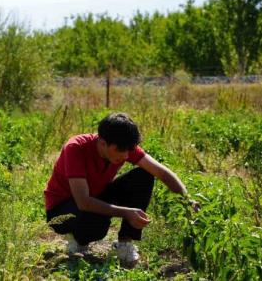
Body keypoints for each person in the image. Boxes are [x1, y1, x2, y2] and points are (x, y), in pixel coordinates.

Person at [44, 112, 198, 266]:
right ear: (103, 143)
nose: (125, 156)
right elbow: (83, 202)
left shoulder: (122, 147)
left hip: (95, 196)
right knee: (96, 228)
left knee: (144, 176)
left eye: (128, 151)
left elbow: (162, 173)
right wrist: (126, 212)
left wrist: (187, 200)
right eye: (120, 150)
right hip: (62, 209)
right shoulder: (76, 148)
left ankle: (125, 243)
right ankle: (76, 238)